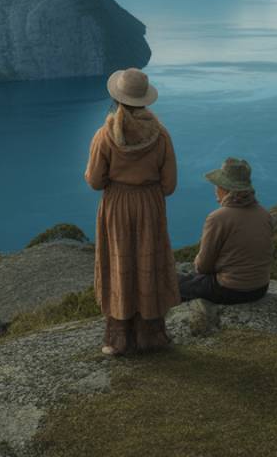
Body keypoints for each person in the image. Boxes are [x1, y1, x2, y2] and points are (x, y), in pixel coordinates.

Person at [84, 67, 181, 356]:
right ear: (145, 100)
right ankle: (151, 335)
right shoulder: (161, 136)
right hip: (149, 204)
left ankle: (119, 340)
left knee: (119, 264)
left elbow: (94, 181)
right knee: (148, 263)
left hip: (117, 206)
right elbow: (170, 184)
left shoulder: (105, 135)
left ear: (118, 99)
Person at [179, 157, 273, 304]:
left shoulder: (218, 218)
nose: (215, 188)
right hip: (260, 288)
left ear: (226, 189)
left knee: (172, 283)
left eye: (218, 185)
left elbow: (203, 266)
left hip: (230, 289)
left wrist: (197, 262)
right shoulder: (264, 214)